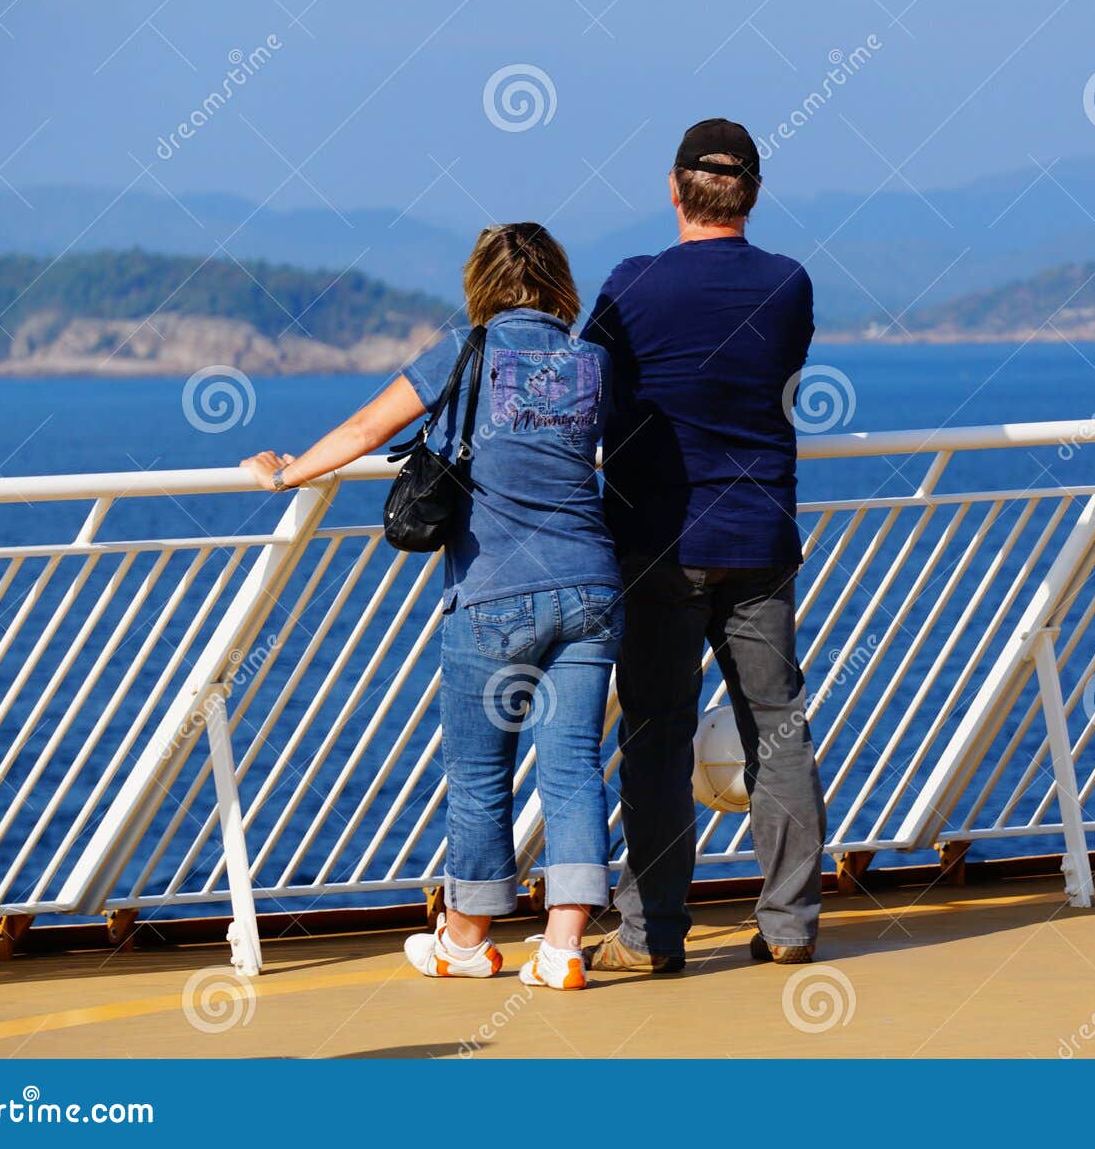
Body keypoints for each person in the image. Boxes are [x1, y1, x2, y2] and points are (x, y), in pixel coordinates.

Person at [240, 222, 618, 991]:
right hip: (592, 588)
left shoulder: (463, 349)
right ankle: (563, 948)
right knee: (574, 767)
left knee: (481, 774)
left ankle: (469, 940)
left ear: (482, 281)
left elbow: (365, 428)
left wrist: (285, 474)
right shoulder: (592, 362)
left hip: (492, 593)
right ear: (560, 284)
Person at [581, 118, 826, 971]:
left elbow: (591, 397)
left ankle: (652, 937)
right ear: (750, 195)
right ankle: (790, 925)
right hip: (759, 537)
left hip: (657, 539)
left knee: (655, 732)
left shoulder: (630, 286)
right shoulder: (788, 284)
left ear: (674, 189)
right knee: (777, 726)